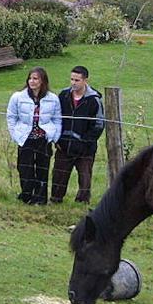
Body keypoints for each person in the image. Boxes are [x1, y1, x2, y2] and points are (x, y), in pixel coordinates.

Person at [6, 66, 61, 205]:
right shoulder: (18, 97)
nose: (32, 81)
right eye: (30, 78)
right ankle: (26, 195)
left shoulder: (53, 99)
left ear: (42, 81)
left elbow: (57, 119)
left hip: (43, 139)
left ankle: (41, 198)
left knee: (42, 170)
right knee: (25, 169)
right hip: (25, 139)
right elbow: (11, 117)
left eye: (35, 78)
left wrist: (54, 136)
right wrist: (15, 135)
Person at [51, 65, 106, 204]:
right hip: (64, 145)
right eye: (72, 79)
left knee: (85, 177)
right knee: (59, 175)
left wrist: (85, 142)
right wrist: (57, 138)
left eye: (77, 80)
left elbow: (99, 125)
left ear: (85, 80)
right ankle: (56, 200)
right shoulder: (63, 95)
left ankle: (82, 203)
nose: (73, 83)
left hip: (85, 149)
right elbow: (55, 116)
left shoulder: (94, 100)